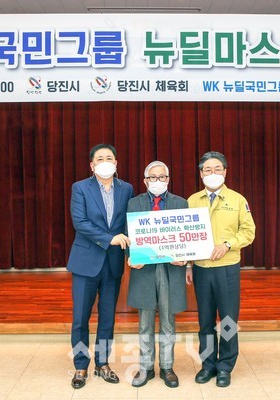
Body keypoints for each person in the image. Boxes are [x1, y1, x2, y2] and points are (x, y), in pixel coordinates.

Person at [67, 144, 134, 389]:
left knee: (107, 318)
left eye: (109, 158)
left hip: (113, 263)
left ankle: (102, 363)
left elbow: (129, 223)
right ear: (92, 165)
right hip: (86, 262)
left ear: (116, 163)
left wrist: (134, 251)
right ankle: (80, 365)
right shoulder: (80, 187)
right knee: (80, 318)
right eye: (100, 158)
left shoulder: (126, 188)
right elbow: (80, 222)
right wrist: (109, 239)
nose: (105, 162)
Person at [186, 151, 255, 388]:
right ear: (201, 174)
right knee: (205, 321)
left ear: (225, 172)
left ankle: (225, 366)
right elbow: (186, 236)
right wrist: (188, 264)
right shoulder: (192, 200)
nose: (212, 173)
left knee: (227, 320)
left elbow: (248, 232)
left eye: (217, 169)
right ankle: (208, 365)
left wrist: (227, 245)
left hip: (227, 269)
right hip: (201, 269)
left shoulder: (237, 200)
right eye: (208, 169)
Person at [126, 161, 189, 388]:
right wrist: (131, 256)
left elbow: (187, 235)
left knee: (168, 321)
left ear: (168, 179)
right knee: (144, 322)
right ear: (145, 181)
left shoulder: (181, 203)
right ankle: (145, 368)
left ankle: (167, 367)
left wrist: (185, 258)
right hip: (144, 269)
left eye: (162, 177)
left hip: (171, 268)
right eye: (153, 177)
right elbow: (128, 234)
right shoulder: (134, 203)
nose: (157, 181)